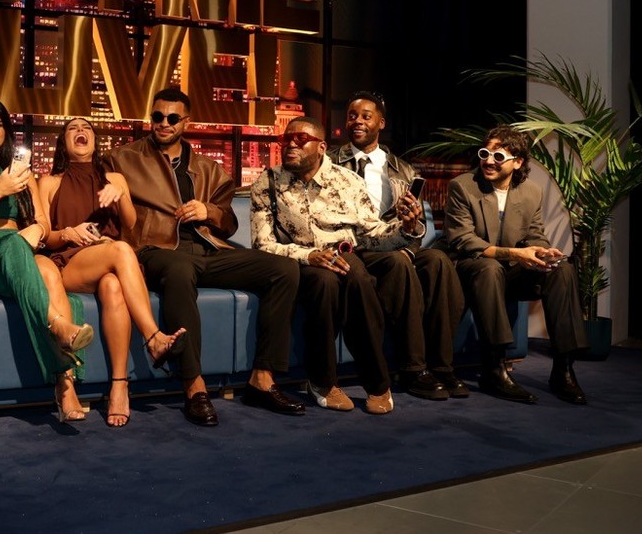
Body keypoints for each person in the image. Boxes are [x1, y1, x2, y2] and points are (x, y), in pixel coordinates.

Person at [105, 88, 305, 426]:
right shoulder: (121, 159)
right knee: (180, 270)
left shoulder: (207, 168)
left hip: (207, 250)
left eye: (171, 118)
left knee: (284, 269)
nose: (163, 124)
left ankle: (262, 377)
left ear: (186, 122)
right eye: (157, 117)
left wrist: (208, 211)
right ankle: (194, 386)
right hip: (155, 250)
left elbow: (228, 223)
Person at [250, 116, 428, 415]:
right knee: (324, 283)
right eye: (286, 139)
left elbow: (372, 234)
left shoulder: (348, 182)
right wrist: (309, 256)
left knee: (358, 279)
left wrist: (406, 228)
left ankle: (377, 382)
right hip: (301, 259)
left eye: (300, 139)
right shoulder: (268, 182)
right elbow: (263, 244)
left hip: (344, 254)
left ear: (321, 147)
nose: (290, 144)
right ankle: (321, 382)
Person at [0, 96, 95, 423]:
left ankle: (65, 386)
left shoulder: (23, 173)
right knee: (12, 247)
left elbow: (43, 222)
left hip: (22, 248)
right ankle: (58, 325)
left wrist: (36, 233)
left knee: (50, 270)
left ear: (6, 131)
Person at [37, 116, 187, 427]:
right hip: (68, 261)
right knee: (121, 250)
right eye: (72, 128)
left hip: (108, 263)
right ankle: (154, 337)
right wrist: (68, 232)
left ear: (95, 140)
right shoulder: (49, 182)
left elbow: (130, 223)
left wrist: (121, 193)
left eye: (87, 128)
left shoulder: (114, 178)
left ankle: (120, 385)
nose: (81, 131)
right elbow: (45, 237)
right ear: (63, 143)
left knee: (113, 285)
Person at [329, 91, 469, 400]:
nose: (357, 121)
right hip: (355, 246)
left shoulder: (405, 170)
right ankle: (413, 369)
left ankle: (443, 367)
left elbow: (413, 226)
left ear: (381, 122)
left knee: (438, 262)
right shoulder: (330, 163)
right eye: (352, 116)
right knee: (398, 262)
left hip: (394, 242)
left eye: (366, 116)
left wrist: (412, 227)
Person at [440, 124, 589, 405]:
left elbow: (533, 233)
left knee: (562, 269)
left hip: (507, 271)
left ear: (517, 162)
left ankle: (563, 368)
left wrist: (544, 253)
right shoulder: (463, 186)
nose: (488, 161)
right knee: (490, 268)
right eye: (485, 153)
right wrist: (514, 254)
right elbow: (463, 240)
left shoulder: (531, 191)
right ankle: (494, 367)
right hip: (471, 268)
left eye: (498, 156)